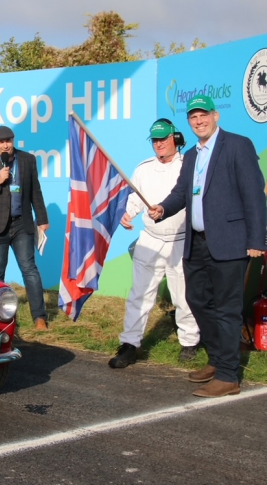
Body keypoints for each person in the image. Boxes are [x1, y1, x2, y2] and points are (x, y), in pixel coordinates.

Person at [148, 94, 267, 398]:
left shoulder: (238, 145)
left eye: (203, 115)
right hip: (197, 244)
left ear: (216, 116)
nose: (198, 121)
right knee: (197, 300)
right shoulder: (191, 155)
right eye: (193, 117)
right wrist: (163, 208)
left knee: (227, 309)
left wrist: (256, 241)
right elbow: (181, 194)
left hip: (230, 243)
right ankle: (217, 359)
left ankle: (228, 376)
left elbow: (254, 196)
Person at [109, 118, 201, 369]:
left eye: (163, 139)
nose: (159, 144)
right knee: (139, 293)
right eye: (155, 140)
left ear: (176, 139)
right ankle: (130, 344)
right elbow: (135, 198)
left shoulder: (189, 166)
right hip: (150, 239)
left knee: (183, 295)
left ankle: (189, 342)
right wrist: (128, 214)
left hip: (181, 239)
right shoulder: (144, 168)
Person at [0, 125, 50, 330]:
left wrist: (42, 218)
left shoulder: (27, 160)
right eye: (1, 141)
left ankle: (39, 317)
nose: (5, 145)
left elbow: (35, 191)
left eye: (8, 141)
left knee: (29, 269)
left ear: (13, 141)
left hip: (21, 225)